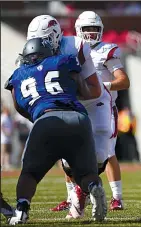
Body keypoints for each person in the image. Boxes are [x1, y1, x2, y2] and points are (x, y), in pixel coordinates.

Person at [5, 38, 107, 225]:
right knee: (84, 174)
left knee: (29, 173)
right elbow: (83, 89)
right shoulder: (63, 60)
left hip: (46, 119)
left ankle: (21, 210)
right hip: (77, 118)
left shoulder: (18, 74)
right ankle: (94, 187)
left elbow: (18, 105)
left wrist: (36, 115)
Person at [26, 15, 105, 219]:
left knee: (100, 158)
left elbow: (95, 90)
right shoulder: (33, 53)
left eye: (42, 40)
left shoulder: (74, 47)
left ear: (53, 37)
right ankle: (79, 195)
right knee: (68, 159)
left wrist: (60, 94)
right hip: (63, 107)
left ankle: (81, 191)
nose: (37, 45)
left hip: (89, 103)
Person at [51, 11, 130, 212]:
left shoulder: (106, 50)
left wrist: (104, 86)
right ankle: (72, 198)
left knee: (107, 152)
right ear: (79, 30)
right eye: (87, 29)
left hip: (102, 107)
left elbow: (124, 81)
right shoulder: (69, 48)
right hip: (77, 106)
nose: (91, 33)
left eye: (95, 29)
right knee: (67, 151)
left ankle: (117, 197)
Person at [1, 105, 13, 171]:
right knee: (3, 152)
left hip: (9, 138)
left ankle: (7, 165)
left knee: (8, 152)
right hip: (3, 139)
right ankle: (2, 165)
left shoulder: (9, 117)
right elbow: (1, 126)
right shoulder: (3, 117)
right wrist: (5, 132)